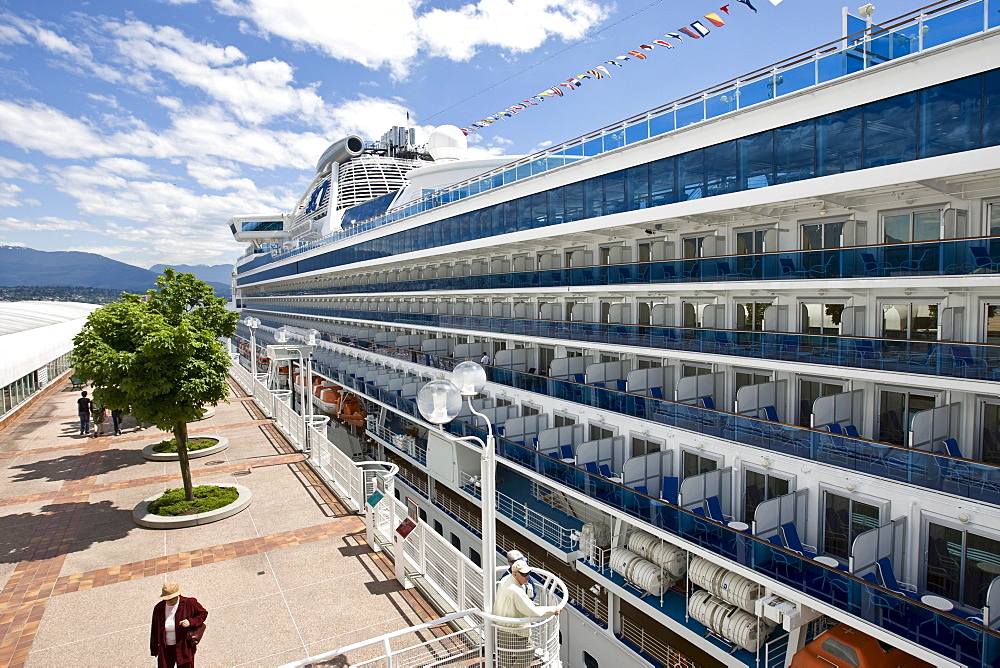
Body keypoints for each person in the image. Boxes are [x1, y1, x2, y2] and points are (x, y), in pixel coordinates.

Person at [492, 561, 559, 668]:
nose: (527, 576)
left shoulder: (506, 580)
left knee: (505, 655)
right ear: (514, 574)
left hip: (501, 625)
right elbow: (532, 610)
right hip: (514, 629)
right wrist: (552, 609)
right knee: (528, 651)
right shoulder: (516, 591)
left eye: (528, 573)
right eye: (523, 574)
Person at [150, 582, 207, 668]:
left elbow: (203, 614)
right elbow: (154, 629)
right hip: (165, 649)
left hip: (183, 647)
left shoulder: (189, 603)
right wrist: (154, 648)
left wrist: (190, 622)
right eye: (167, 599)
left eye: (172, 598)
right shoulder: (159, 608)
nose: (169, 601)